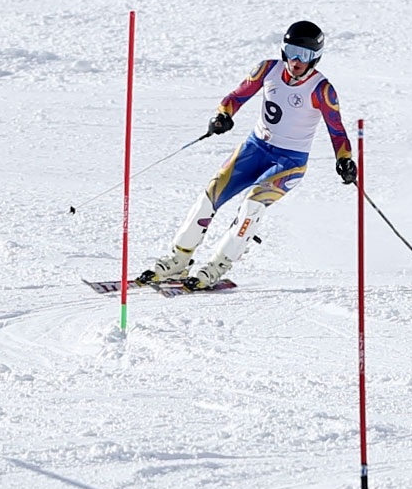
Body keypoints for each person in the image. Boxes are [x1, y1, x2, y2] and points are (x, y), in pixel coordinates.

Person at [137, 20, 358, 291]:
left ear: (316, 58)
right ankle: (178, 260)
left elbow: (337, 130)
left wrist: (344, 159)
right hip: (254, 149)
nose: (296, 60)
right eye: (291, 50)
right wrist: (223, 116)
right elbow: (237, 96)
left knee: (252, 204)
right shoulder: (268, 69)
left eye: (305, 55)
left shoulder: (322, 90)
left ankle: (218, 265)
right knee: (210, 194)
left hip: (289, 162)